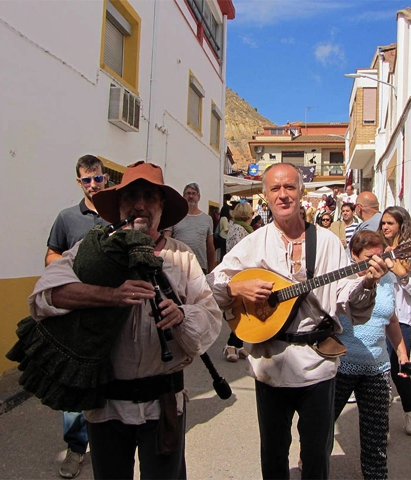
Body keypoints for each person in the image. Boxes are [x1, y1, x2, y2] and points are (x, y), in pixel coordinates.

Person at [29, 161, 222, 479]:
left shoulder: (181, 256)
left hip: (163, 404)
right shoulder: (89, 251)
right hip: (105, 404)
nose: (140, 205)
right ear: (119, 205)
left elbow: (210, 315)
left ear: (161, 206)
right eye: (131, 196)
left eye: (149, 196)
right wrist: (111, 296)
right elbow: (46, 295)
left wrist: (182, 315)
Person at [207, 163, 389, 479]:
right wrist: (237, 286)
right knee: (274, 452)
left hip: (318, 364)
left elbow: (347, 298)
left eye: (290, 187)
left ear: (301, 193)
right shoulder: (254, 243)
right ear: (265, 196)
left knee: (317, 455)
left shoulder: (329, 243)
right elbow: (212, 284)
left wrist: (367, 283)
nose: (283, 195)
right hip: (269, 362)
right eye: (275, 189)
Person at [44, 154, 110, 478]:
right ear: (79, 182)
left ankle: (109, 445)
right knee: (74, 383)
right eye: (87, 179)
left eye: (98, 178)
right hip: (75, 313)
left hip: (113, 312)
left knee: (110, 378)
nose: (94, 184)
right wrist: (68, 272)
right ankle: (75, 448)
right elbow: (51, 253)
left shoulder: (118, 216)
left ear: (106, 178)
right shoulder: (66, 217)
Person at [334, 230, 410, 480]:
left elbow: (391, 319)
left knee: (376, 438)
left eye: (380, 256)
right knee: (322, 425)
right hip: (341, 365)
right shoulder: (340, 279)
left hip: (377, 367)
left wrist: (402, 354)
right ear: (354, 256)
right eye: (369, 257)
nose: (376, 263)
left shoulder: (387, 280)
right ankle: (309, 454)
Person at [380, 206, 411, 436]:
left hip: (402, 320)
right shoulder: (377, 248)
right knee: (379, 375)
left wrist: (401, 273)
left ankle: (409, 411)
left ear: (401, 225)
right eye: (383, 223)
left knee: (400, 372)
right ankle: (382, 425)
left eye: (390, 223)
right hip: (378, 317)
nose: (385, 227)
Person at [222, 201, 254, 361]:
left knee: (244, 311)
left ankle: (239, 345)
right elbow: (240, 254)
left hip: (243, 273)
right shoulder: (240, 230)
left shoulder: (239, 228)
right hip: (239, 275)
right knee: (240, 312)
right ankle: (230, 345)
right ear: (248, 214)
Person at [164, 183, 216, 273]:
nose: (191, 196)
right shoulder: (174, 216)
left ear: (199, 197)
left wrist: (211, 270)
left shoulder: (207, 219)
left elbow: (210, 247)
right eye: (188, 193)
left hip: (200, 267)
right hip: (178, 267)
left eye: (194, 193)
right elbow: (165, 241)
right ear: (183, 197)